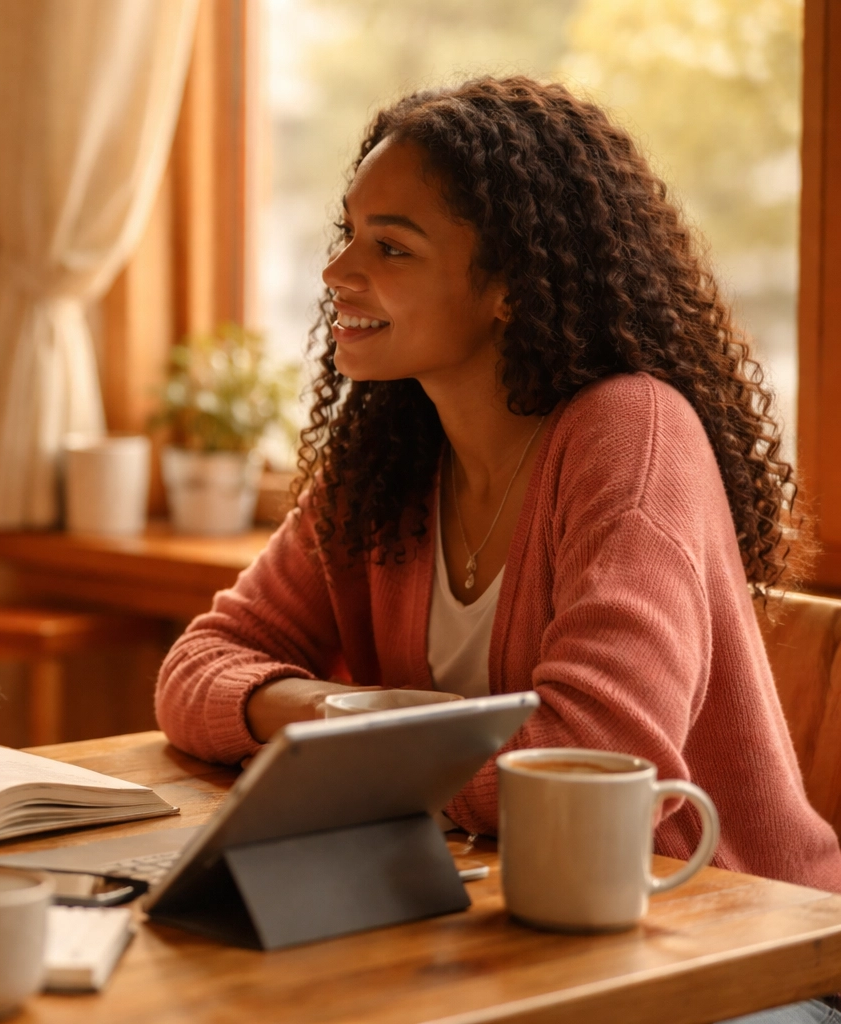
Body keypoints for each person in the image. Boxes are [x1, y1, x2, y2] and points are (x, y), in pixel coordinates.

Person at [154, 77, 841, 1023]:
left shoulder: (631, 434)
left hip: (735, 955)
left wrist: (357, 748)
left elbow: (593, 763)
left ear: (512, 285)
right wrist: (330, 710)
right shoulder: (389, 456)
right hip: (512, 939)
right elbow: (198, 668)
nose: (338, 271)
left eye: (392, 247)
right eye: (348, 233)